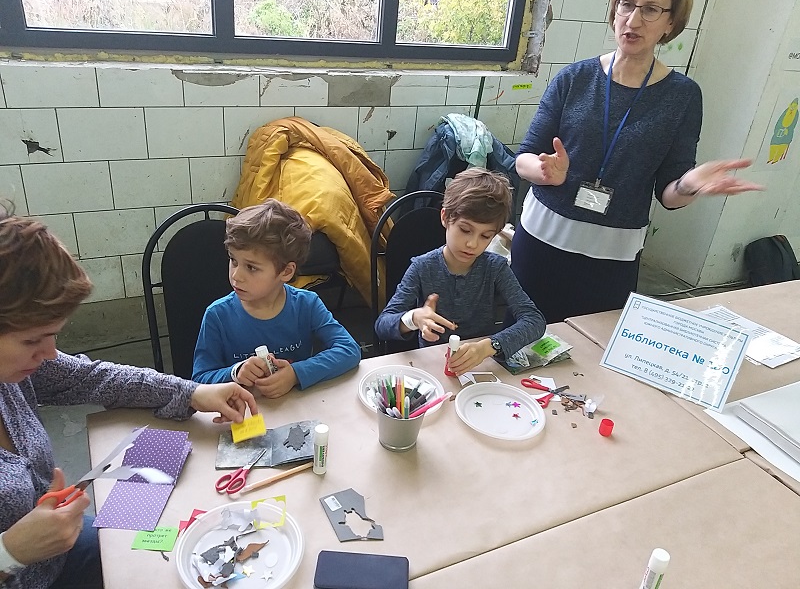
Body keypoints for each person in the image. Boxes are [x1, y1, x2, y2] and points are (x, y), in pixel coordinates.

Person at [0, 208, 259, 589]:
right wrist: (9, 553)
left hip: (59, 554)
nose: (51, 353)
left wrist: (192, 392)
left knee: (168, 559)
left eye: (54, 334)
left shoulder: (18, 372)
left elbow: (96, 378)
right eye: (32, 340)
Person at [512, 0, 764, 324]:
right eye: (627, 5)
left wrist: (688, 183)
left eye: (650, 9)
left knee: (593, 345)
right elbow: (523, 158)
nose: (633, 20)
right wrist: (544, 171)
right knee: (521, 336)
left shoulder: (682, 96)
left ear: (671, 22)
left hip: (612, 255)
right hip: (541, 239)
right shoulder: (574, 78)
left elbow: (669, 196)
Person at [374, 168, 546, 376]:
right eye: (465, 230)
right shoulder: (422, 267)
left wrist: (489, 346)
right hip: (432, 368)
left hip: (480, 367)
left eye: (485, 236)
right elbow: (382, 325)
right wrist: (413, 318)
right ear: (445, 217)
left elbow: (534, 320)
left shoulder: (496, 267)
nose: (472, 244)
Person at [192, 199, 361, 398]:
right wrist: (235, 372)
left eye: (251, 267)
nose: (236, 275)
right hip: (244, 411)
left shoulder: (307, 304)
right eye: (233, 260)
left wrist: (295, 374)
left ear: (286, 271)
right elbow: (199, 381)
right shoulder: (217, 315)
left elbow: (349, 350)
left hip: (296, 408)